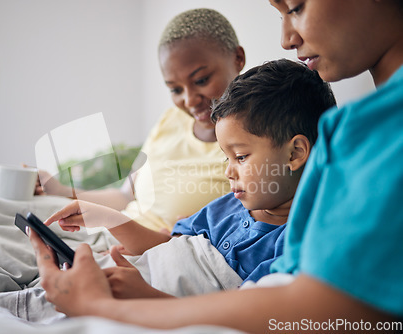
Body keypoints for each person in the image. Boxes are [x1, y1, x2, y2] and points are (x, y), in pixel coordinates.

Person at [29, 0, 403, 332]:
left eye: (297, 6)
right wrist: (105, 218)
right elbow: (165, 234)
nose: (287, 38)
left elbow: (320, 308)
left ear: (296, 153)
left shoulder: (357, 147)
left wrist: (107, 307)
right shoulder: (353, 132)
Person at [41, 59, 337, 300]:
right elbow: (165, 246)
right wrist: (108, 218)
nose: (229, 171)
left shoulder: (296, 243)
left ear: (295, 153)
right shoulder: (225, 208)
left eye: (241, 157)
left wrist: (148, 298)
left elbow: (236, 316)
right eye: (226, 157)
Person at [37, 8, 246, 233]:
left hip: (151, 253)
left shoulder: (254, 139)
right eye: (175, 89)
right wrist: (59, 190)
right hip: (113, 236)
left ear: (238, 59)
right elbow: (125, 195)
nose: (189, 100)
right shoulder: (170, 120)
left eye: (201, 80)